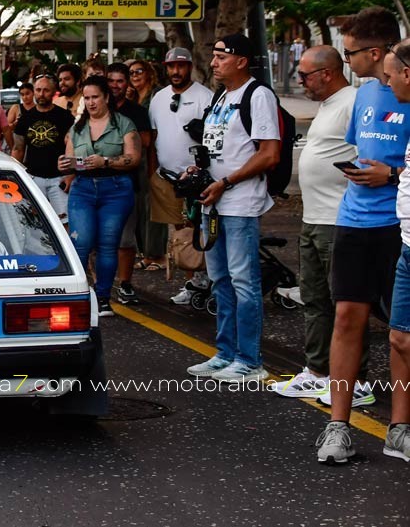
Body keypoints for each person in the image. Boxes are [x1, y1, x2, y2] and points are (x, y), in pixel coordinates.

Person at [315, 7, 409, 462]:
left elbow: (398, 165)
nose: (345, 60)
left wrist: (389, 175)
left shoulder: (405, 91)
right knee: (347, 318)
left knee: (400, 333)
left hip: (398, 225)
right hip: (354, 220)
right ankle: (337, 425)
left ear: (376, 51)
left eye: (350, 52)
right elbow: (361, 148)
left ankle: (399, 427)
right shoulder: (365, 95)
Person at [185, 34, 280, 384]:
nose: (214, 62)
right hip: (213, 202)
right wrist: (200, 173)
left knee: (243, 281)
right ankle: (225, 353)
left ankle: (250, 359)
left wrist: (227, 182)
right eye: (214, 56)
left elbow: (269, 154)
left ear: (241, 60)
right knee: (219, 280)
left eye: (221, 56)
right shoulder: (222, 97)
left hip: (239, 203)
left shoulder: (258, 96)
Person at [268, 46, 355, 402]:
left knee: (345, 304)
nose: (299, 81)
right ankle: (318, 370)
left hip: (337, 219)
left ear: (327, 73)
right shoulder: (328, 106)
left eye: (304, 75)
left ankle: (353, 378)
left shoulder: (352, 102)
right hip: (314, 218)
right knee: (316, 300)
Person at [58, 76, 140, 317]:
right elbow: (69, 160)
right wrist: (64, 164)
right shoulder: (78, 128)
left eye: (95, 97)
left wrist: (106, 161)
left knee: (107, 245)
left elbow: (133, 158)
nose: (91, 102)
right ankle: (79, 296)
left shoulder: (124, 124)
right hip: (82, 188)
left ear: (106, 97)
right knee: (80, 243)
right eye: (87, 98)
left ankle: (103, 298)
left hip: (115, 188)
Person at [148, 48, 215, 304]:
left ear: (189, 67)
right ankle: (194, 284)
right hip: (166, 177)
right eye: (171, 66)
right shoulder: (158, 98)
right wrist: (154, 173)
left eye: (181, 66)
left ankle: (208, 281)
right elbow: (154, 138)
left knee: (198, 231)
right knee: (179, 235)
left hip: (196, 180)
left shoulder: (205, 96)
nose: (176, 71)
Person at [380, 40, 410, 463]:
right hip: (408, 245)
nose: (386, 82)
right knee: (400, 338)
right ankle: (398, 431)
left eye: (391, 74)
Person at [105, 62, 156, 300]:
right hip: (97, 182)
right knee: (97, 239)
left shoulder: (137, 112)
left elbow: (145, 144)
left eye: (120, 81)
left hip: (128, 181)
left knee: (125, 239)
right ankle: (99, 285)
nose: (115, 85)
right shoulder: (96, 107)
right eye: (111, 80)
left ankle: (124, 283)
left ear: (127, 84)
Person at [12, 77, 74, 222]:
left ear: (53, 92)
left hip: (59, 179)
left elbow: (73, 147)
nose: (41, 94)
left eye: (46, 90)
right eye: (38, 90)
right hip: (34, 178)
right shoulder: (25, 118)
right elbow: (18, 149)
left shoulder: (65, 117)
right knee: (33, 222)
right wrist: (14, 176)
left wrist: (71, 174)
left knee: (64, 222)